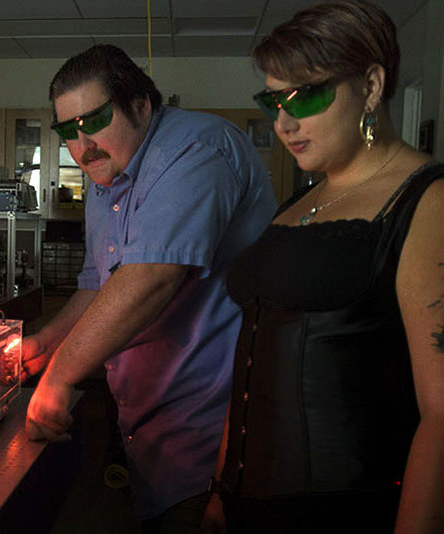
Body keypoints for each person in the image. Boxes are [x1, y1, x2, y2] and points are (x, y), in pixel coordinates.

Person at [200, 1, 444, 532]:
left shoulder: (427, 200)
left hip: (342, 513)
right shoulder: (299, 201)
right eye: (274, 101)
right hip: (246, 506)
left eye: (305, 95)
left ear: (372, 86)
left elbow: (443, 414)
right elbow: (254, 349)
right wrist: (221, 491)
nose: (285, 123)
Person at [23, 44, 276, 532]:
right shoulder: (106, 178)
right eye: (66, 131)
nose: (81, 147)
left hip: (211, 444)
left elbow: (149, 279)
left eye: (94, 121)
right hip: (149, 438)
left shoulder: (196, 150)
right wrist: (43, 344)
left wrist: (59, 376)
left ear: (141, 105)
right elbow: (101, 286)